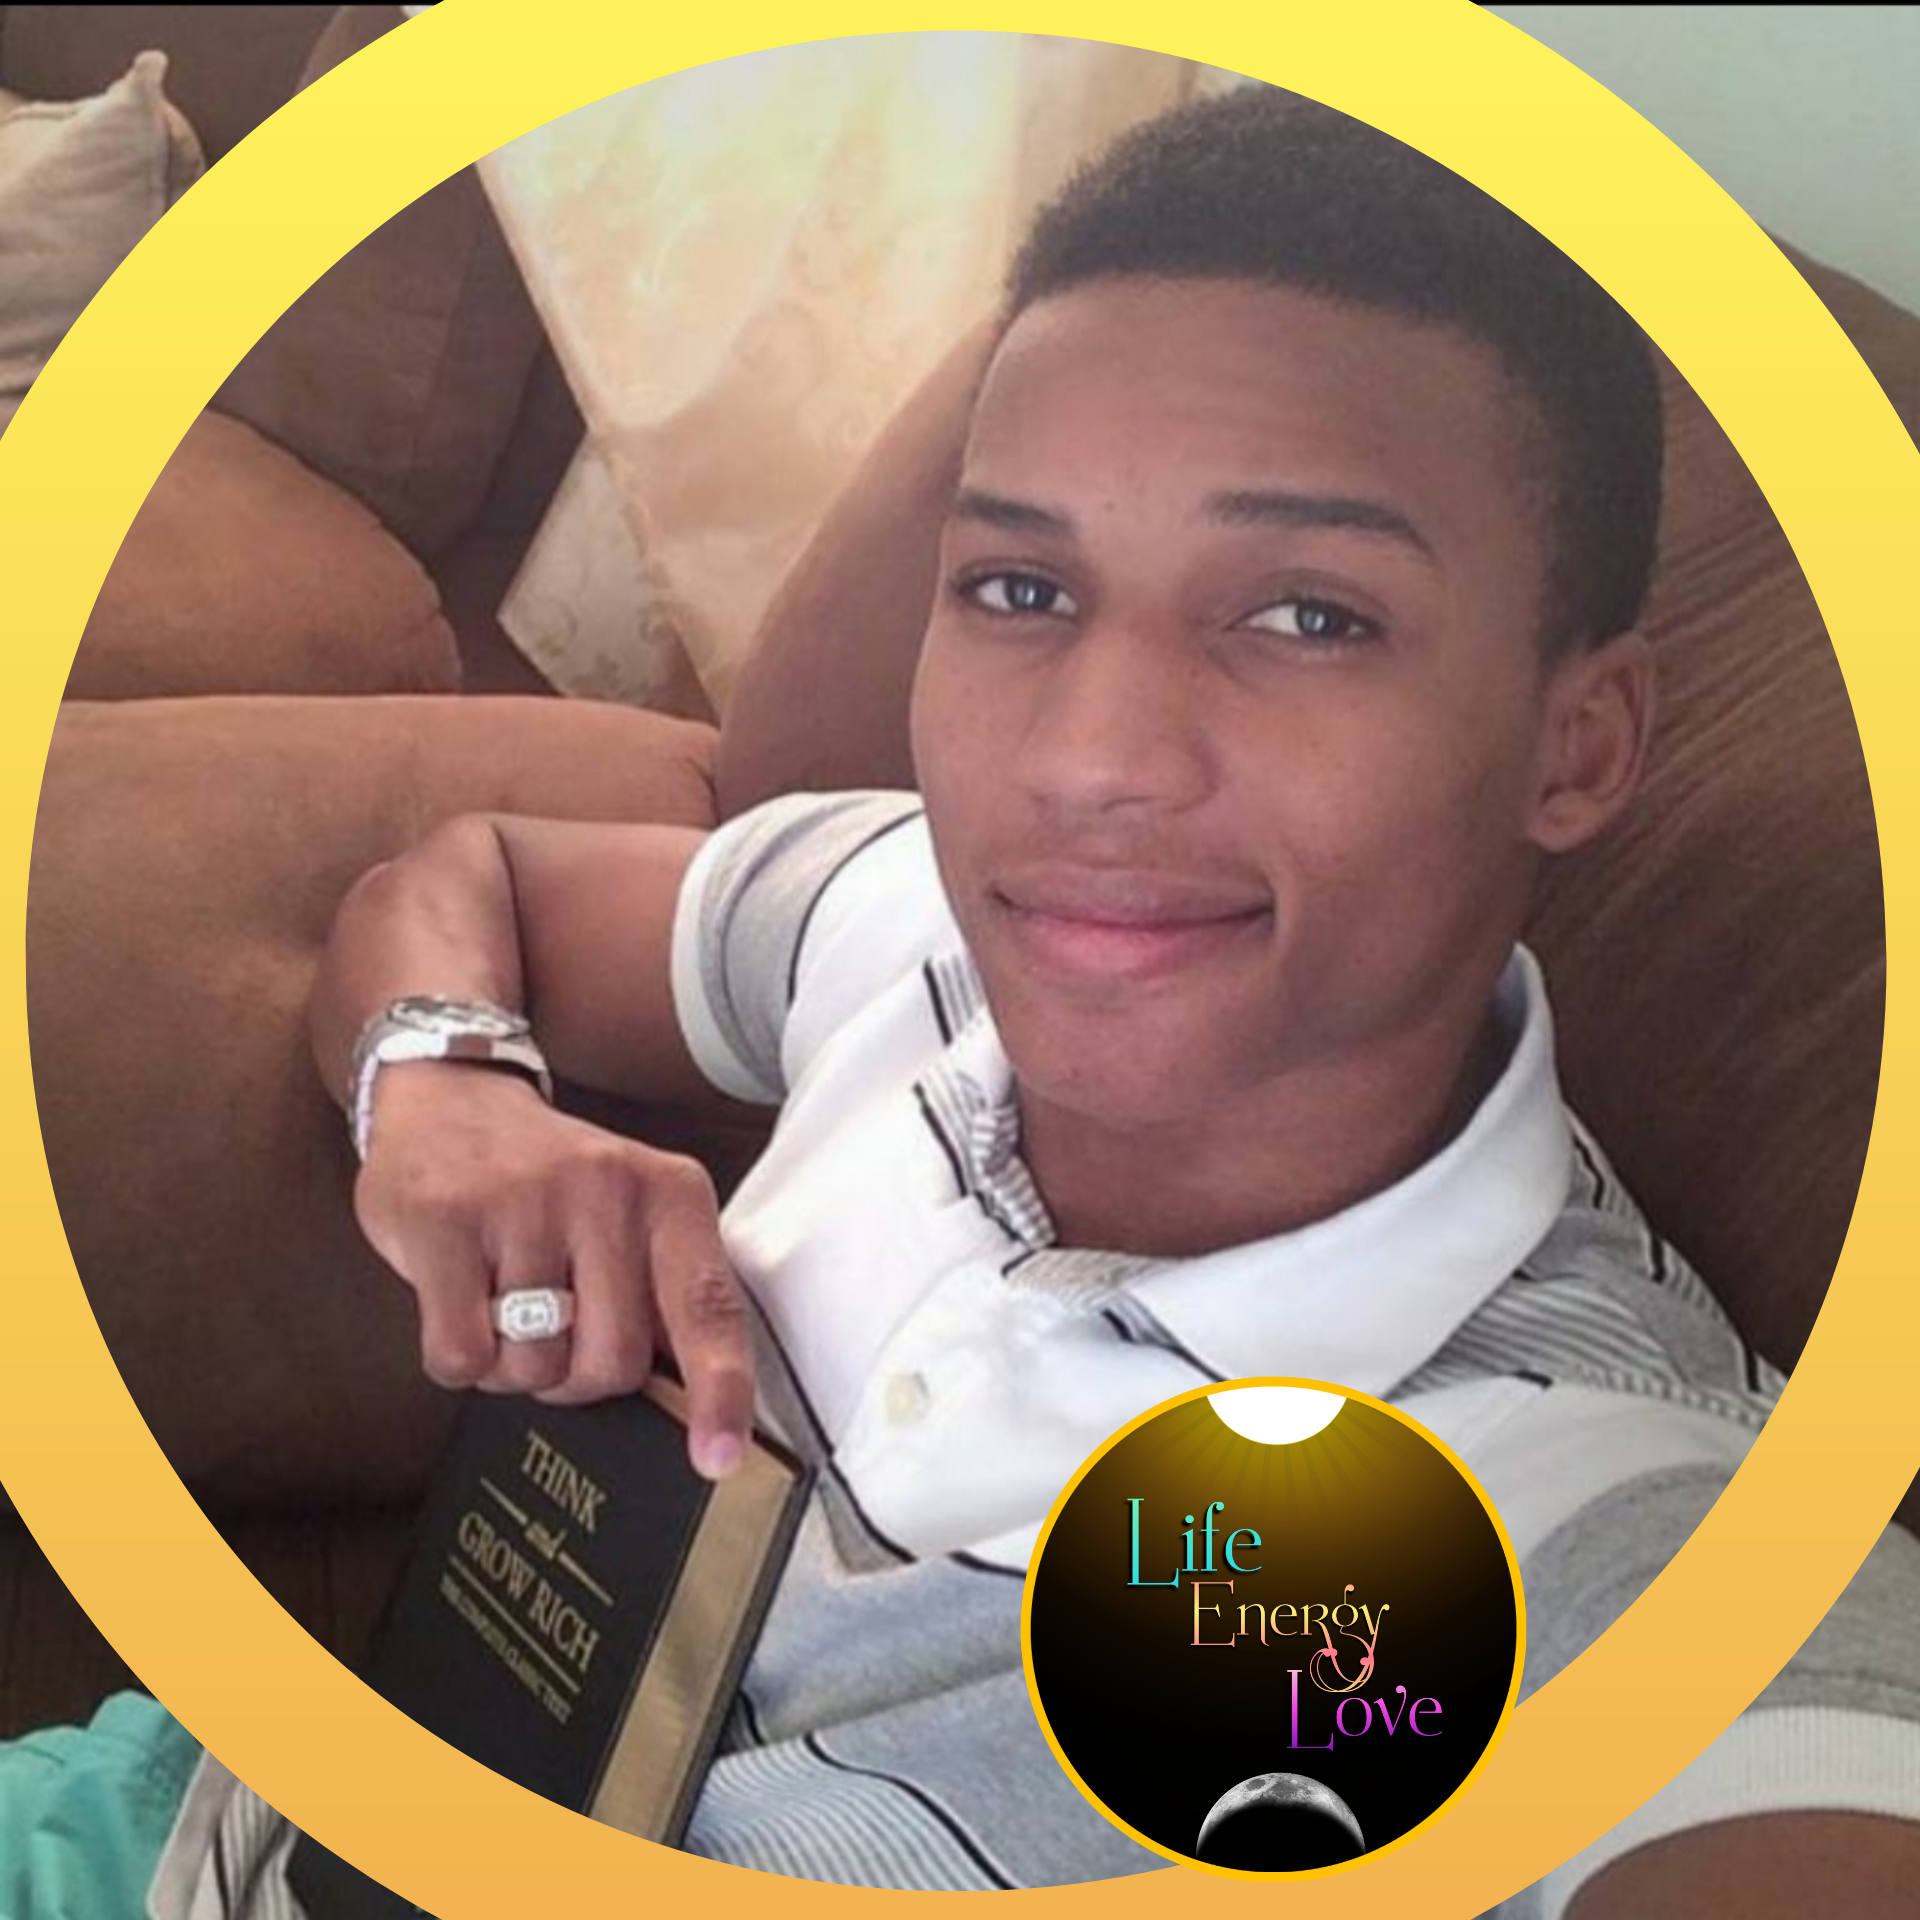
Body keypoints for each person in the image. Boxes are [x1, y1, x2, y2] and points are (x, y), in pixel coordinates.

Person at [121, 84, 1920, 1917]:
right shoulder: (913, 913)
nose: (1090, 761)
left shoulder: (1632, 1530)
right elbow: (464, 885)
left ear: (1579, 742)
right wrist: (444, 1092)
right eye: (1022, 585)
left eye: (1309, 615)